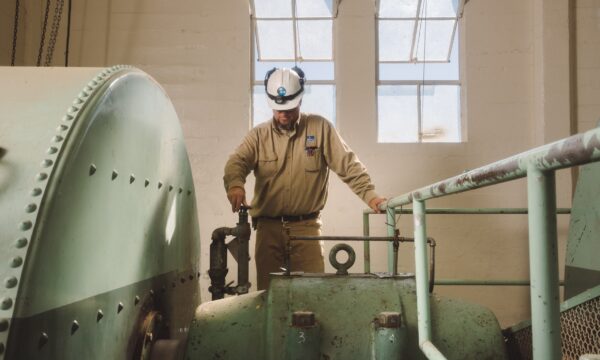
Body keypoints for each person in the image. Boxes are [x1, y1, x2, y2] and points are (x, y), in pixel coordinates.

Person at [223, 67, 385, 290]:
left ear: (300, 100)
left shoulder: (320, 129)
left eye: (289, 108)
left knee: (312, 295)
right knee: (268, 298)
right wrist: (235, 185)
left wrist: (371, 197)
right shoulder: (259, 136)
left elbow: (348, 165)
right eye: (278, 109)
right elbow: (237, 162)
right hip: (268, 230)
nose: (284, 114)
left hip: (307, 229)